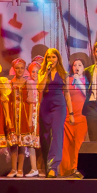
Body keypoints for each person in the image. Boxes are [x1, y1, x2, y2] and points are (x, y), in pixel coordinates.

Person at [37, 48, 68, 177]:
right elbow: (40, 88)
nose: (51, 59)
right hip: (45, 105)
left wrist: (71, 113)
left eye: (53, 57)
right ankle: (47, 165)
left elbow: (67, 93)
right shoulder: (42, 72)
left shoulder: (63, 73)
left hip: (59, 105)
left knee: (56, 133)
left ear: (58, 59)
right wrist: (46, 73)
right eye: (49, 57)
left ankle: (53, 167)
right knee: (44, 136)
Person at [62, 57, 88, 177]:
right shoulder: (68, 79)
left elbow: (88, 95)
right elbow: (65, 96)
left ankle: (76, 168)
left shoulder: (86, 80)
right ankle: (66, 170)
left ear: (84, 68)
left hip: (82, 115)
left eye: (79, 65)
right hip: (69, 115)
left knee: (79, 143)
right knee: (66, 144)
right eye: (74, 65)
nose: (77, 67)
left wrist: (79, 81)